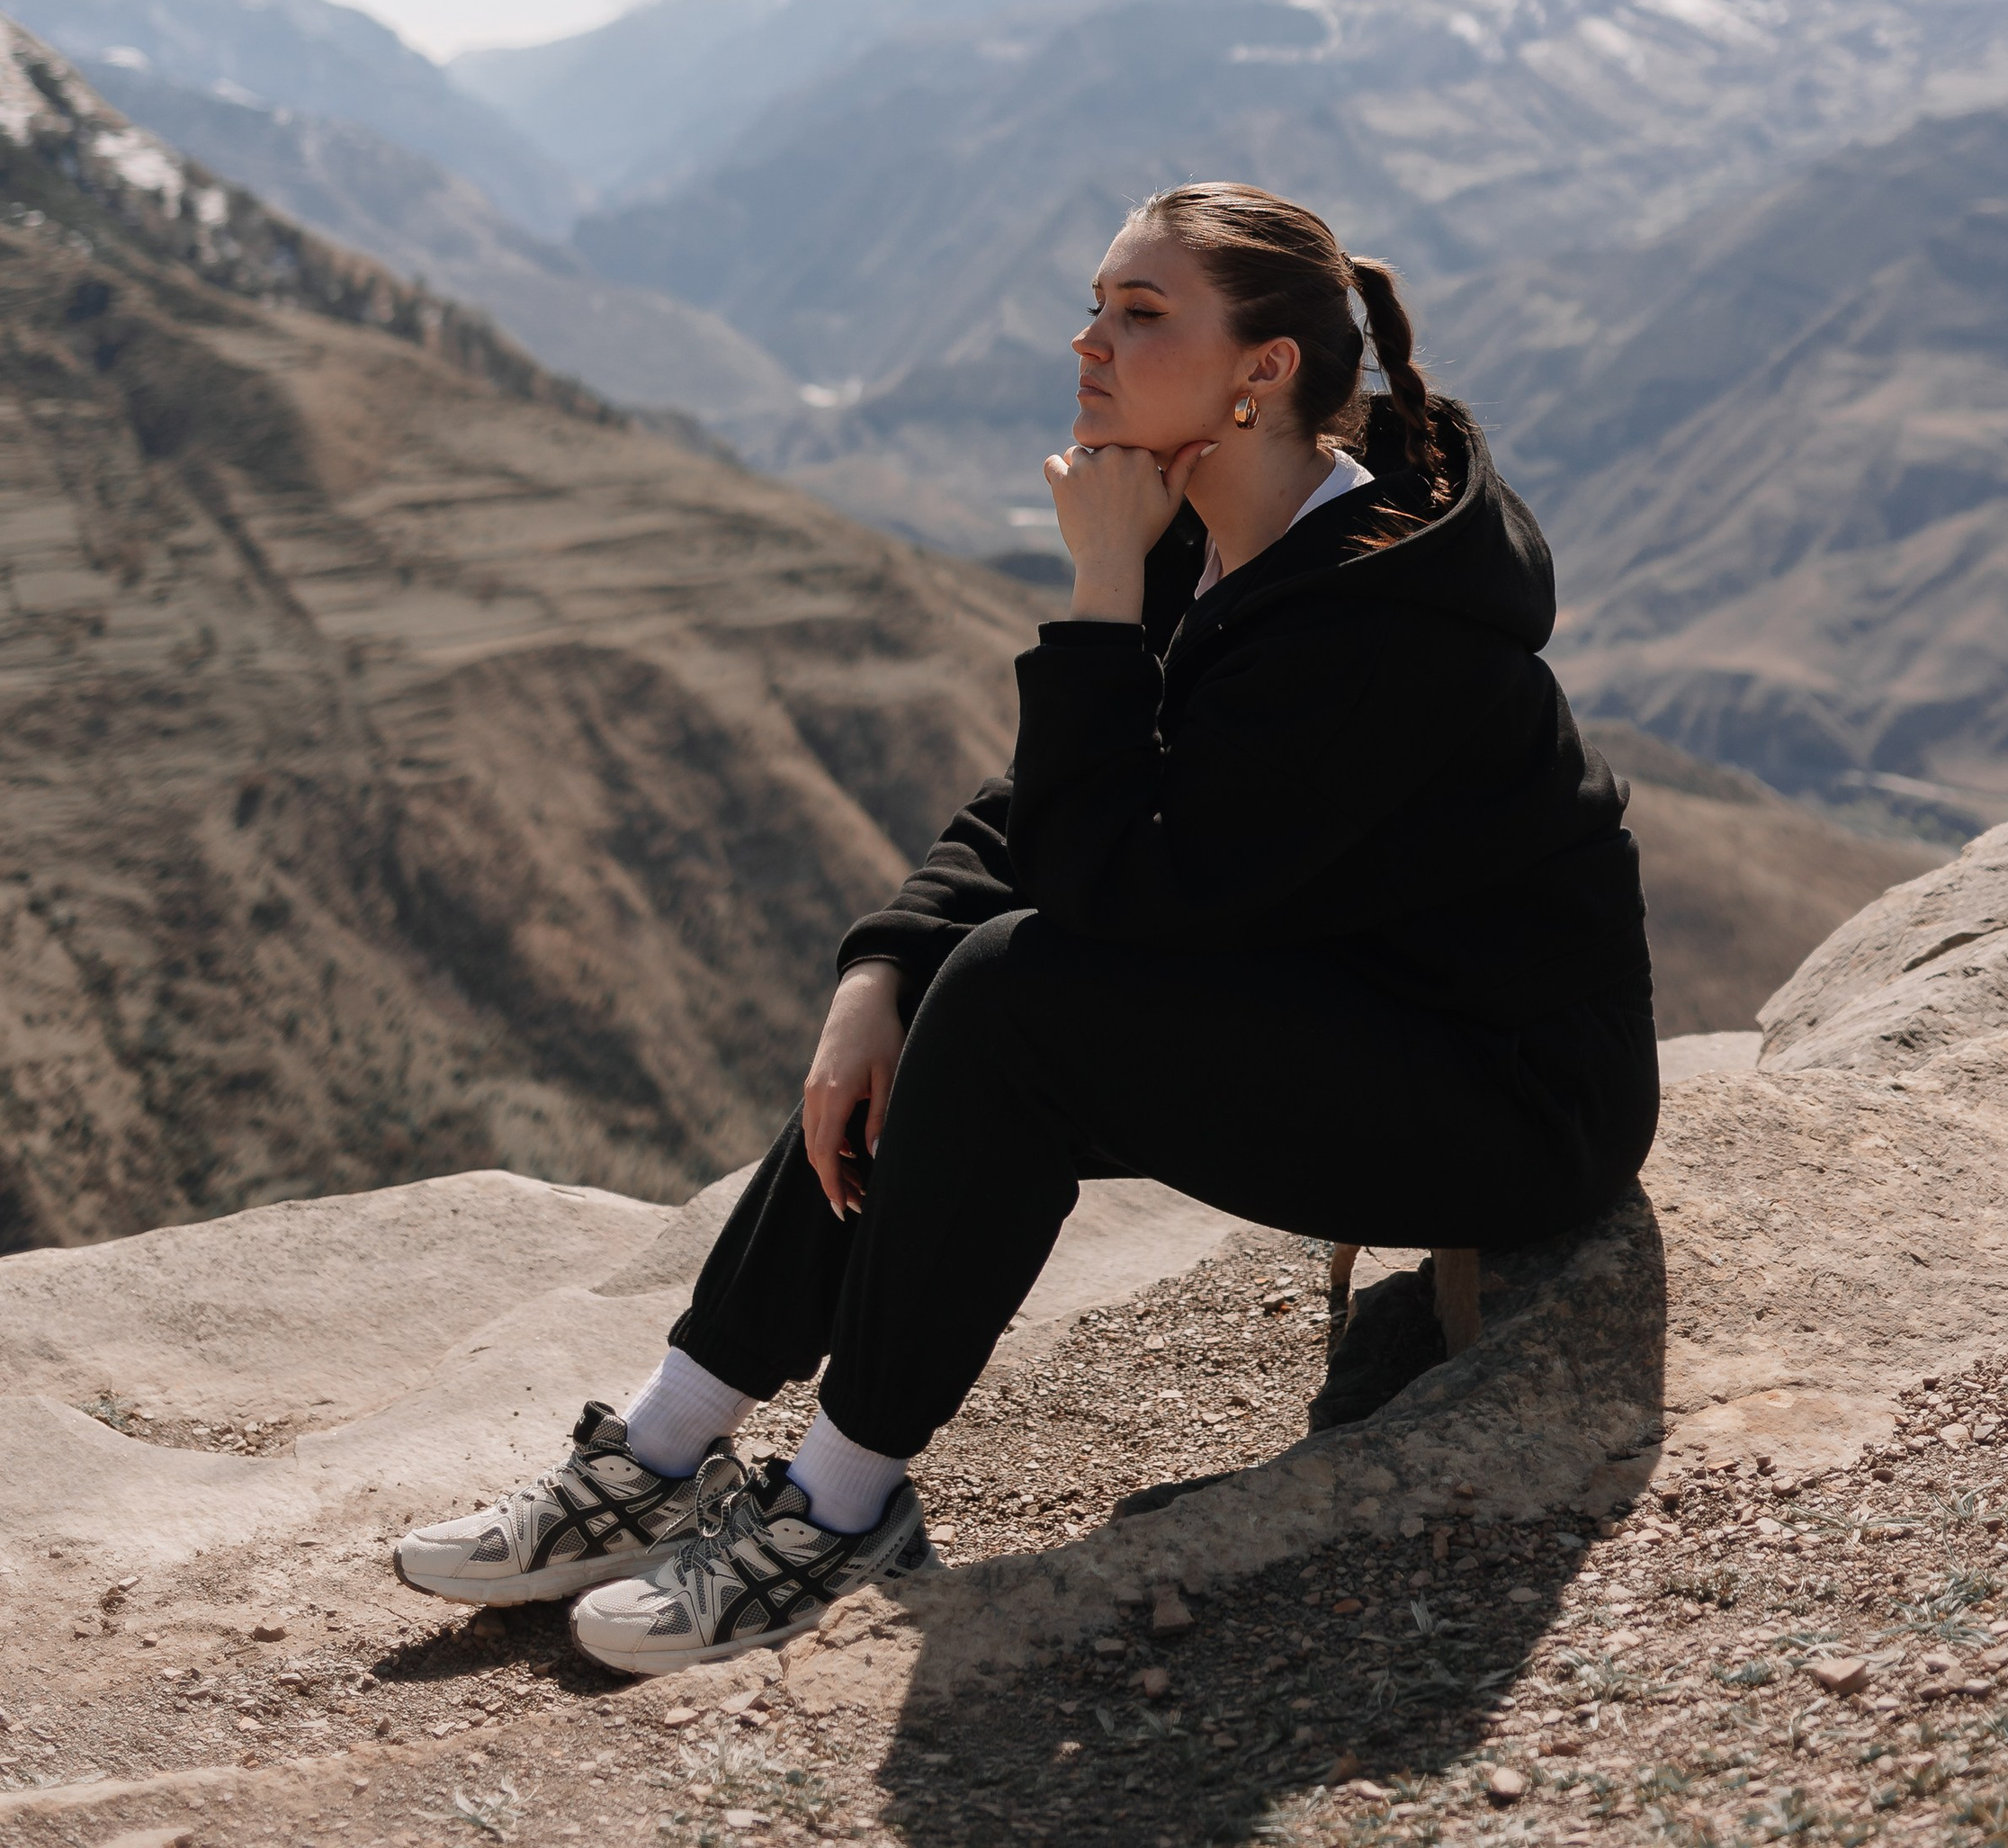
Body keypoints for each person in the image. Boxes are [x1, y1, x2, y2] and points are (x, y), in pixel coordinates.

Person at [393, 183, 1657, 1673]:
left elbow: (1113, 884)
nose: (1087, 342)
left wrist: (1101, 591)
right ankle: (668, 1446)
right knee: (950, 992)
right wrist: (878, 971)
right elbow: (1041, 805)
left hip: (1504, 1102)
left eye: (1140, 314)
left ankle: (840, 1501)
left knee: (1009, 999)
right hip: (1344, 1002)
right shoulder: (1231, 526)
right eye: (1096, 303)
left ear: (1262, 370)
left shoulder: (1385, 624)